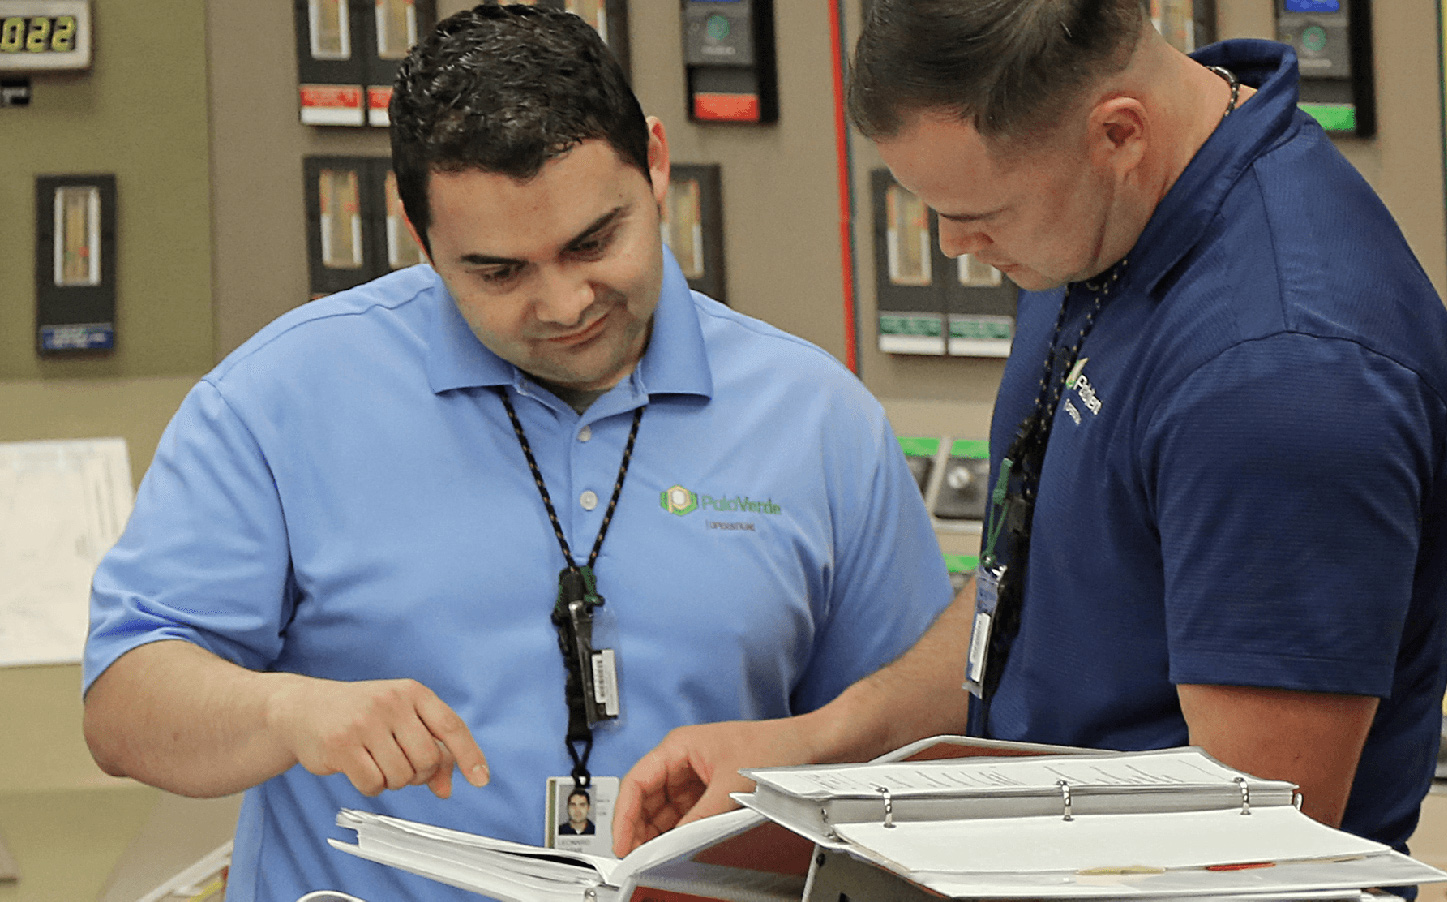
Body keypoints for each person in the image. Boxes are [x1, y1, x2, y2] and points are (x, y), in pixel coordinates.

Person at [79, 6, 952, 902]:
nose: (565, 302)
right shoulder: (276, 401)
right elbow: (123, 707)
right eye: (498, 272)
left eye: (594, 241)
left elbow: (909, 739)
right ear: (417, 234)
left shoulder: (815, 419)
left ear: (655, 165)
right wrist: (285, 710)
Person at [612, 0, 1447, 886]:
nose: (953, 246)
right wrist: (814, 744)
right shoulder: (1106, 217)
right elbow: (1033, 586)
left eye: (979, 212)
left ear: (1118, 134)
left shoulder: (1280, 376)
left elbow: (1245, 850)